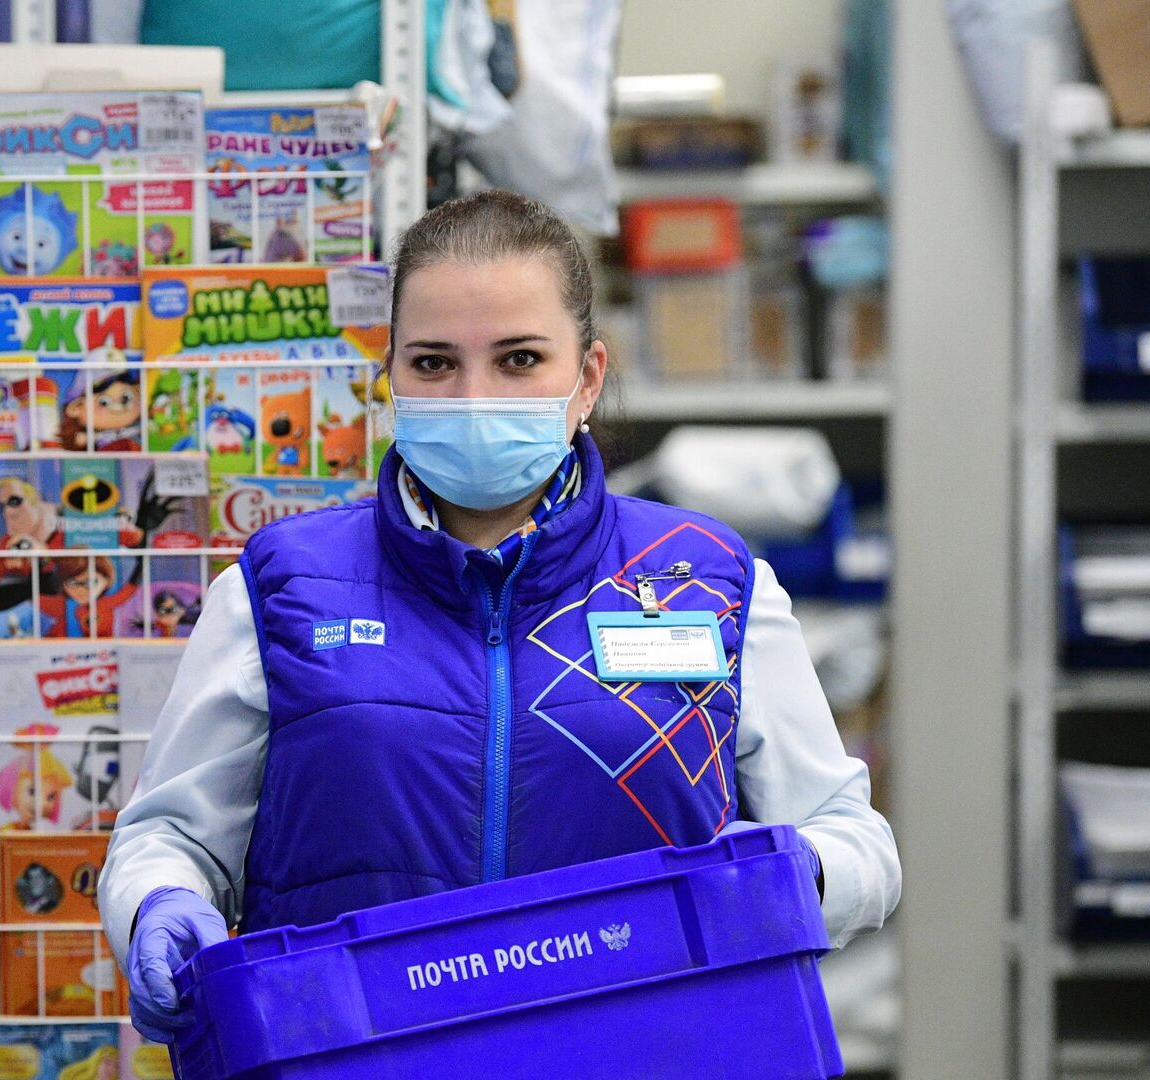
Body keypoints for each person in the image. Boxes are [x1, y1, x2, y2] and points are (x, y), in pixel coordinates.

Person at [98, 190, 902, 1044]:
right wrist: (161, 903)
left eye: (519, 359)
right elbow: (171, 836)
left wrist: (793, 874)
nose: (474, 395)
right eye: (434, 363)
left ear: (587, 377)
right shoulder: (281, 587)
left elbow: (857, 843)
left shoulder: (711, 581)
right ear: (391, 377)